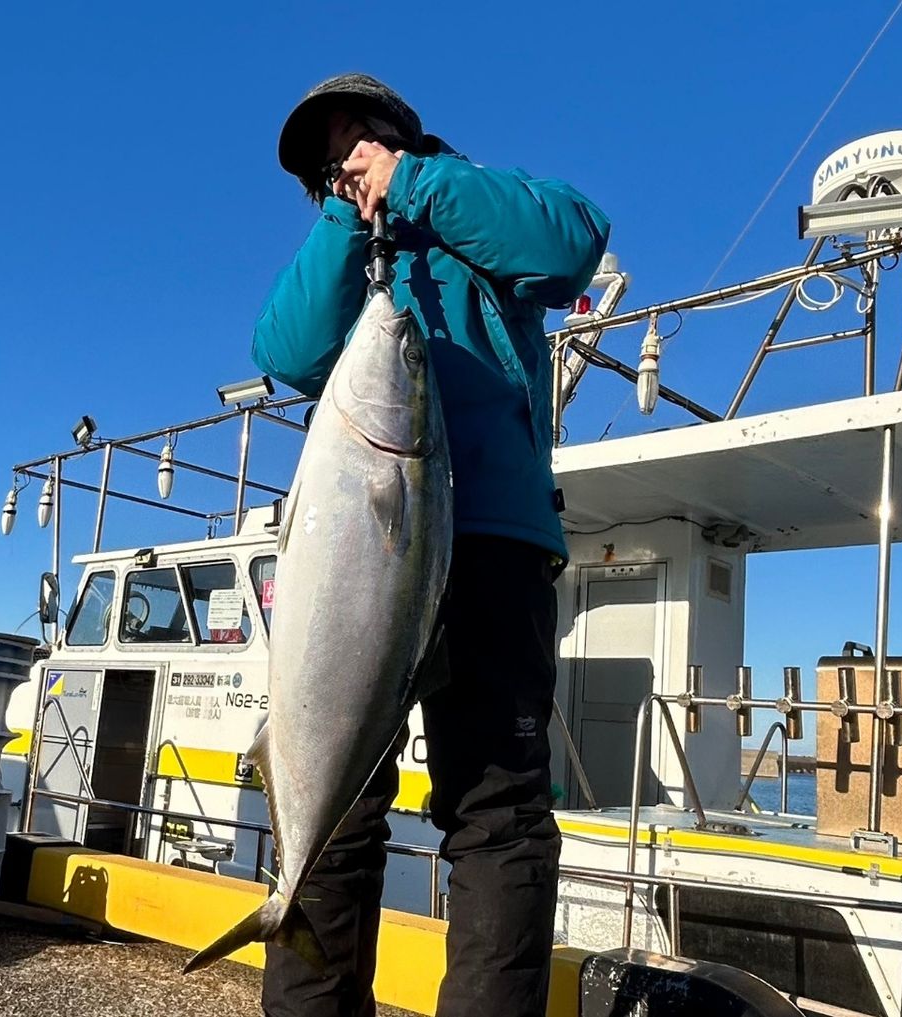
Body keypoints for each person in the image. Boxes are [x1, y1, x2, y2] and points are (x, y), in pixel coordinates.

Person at [250, 73, 610, 1017]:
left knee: (497, 810)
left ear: (399, 132)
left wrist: (411, 183)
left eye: (356, 135)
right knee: (335, 819)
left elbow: (571, 243)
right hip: (358, 559)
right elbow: (287, 351)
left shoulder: (474, 201)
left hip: (492, 543)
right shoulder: (339, 252)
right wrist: (347, 216)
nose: (345, 159)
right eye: (326, 160)